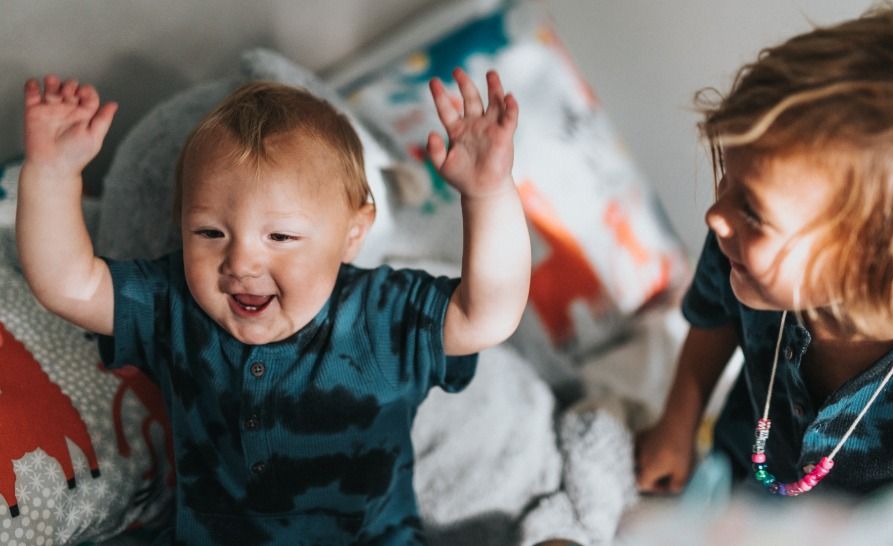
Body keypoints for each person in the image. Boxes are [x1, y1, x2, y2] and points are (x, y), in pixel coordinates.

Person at [16, 68, 530, 544]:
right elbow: (69, 285)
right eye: (210, 232)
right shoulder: (171, 305)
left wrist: (488, 196)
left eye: (280, 235)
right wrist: (53, 174)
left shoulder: (384, 315)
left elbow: (486, 316)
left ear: (353, 234)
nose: (240, 261)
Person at [634, 4, 893, 544]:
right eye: (727, 180)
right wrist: (677, 421)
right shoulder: (739, 256)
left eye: (753, 211)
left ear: (879, 264)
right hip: (743, 479)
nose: (715, 216)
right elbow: (714, 317)